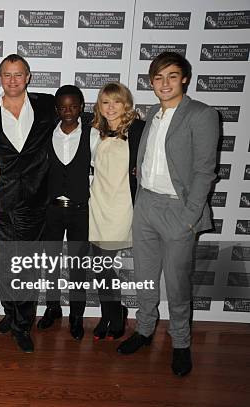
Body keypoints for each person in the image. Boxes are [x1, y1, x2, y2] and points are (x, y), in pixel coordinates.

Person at [118, 52, 219, 377]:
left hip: (178, 210)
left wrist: (189, 217)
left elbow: (205, 172)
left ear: (184, 79)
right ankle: (145, 330)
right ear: (151, 82)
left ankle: (180, 343)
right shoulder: (153, 117)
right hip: (146, 205)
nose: (165, 83)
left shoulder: (202, 115)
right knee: (145, 277)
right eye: (158, 77)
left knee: (176, 284)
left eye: (172, 76)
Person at [0, 54, 57, 353]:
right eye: (7, 74)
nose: (12, 80)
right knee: (3, 263)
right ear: (0, 78)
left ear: (28, 76)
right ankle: (11, 313)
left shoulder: (49, 105)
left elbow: (78, 126)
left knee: (26, 265)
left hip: (36, 199)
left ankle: (22, 324)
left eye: (18, 74)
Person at [38, 85, 99, 340]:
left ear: (82, 107)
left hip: (80, 211)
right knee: (50, 264)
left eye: (73, 106)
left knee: (77, 267)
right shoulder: (45, 134)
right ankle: (52, 308)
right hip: (51, 211)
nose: (68, 111)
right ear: (56, 110)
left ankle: (76, 315)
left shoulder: (93, 135)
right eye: (63, 107)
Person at [88, 82, 145, 341]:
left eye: (116, 102)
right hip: (96, 203)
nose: (110, 108)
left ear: (126, 104)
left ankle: (114, 313)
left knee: (105, 265)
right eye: (105, 102)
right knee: (100, 265)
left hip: (122, 205)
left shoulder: (139, 130)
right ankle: (110, 312)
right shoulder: (93, 131)